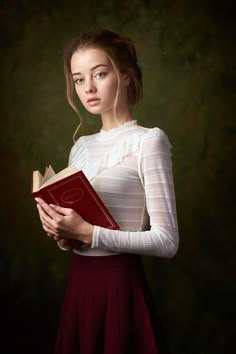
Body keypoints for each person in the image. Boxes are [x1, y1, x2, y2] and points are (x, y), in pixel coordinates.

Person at [35, 29, 179, 354]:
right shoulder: (81, 147)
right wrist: (62, 233)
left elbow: (167, 242)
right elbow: (79, 234)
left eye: (99, 73)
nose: (88, 87)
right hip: (80, 285)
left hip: (119, 285)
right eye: (78, 79)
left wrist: (92, 234)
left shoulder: (148, 141)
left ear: (125, 75)